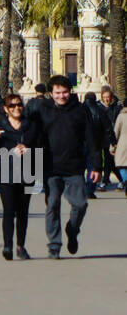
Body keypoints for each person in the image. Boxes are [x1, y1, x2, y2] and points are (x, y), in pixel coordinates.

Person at [35, 75, 102, 258]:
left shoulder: (80, 110)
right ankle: (54, 245)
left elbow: (91, 139)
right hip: (50, 167)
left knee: (80, 204)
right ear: (51, 93)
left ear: (70, 91)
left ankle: (72, 230)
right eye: (57, 92)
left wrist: (96, 166)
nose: (61, 96)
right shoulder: (43, 110)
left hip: (74, 166)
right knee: (52, 205)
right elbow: (34, 136)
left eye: (65, 92)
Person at [0, 93, 41, 259]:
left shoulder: (31, 125)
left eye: (19, 105)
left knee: (23, 211)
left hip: (27, 174)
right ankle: (7, 245)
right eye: (12, 106)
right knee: (9, 210)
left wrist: (30, 150)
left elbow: (41, 146)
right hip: (6, 174)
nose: (17, 108)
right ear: (6, 109)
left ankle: (20, 246)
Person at [98, 86, 121, 188]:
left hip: (114, 138)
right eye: (104, 97)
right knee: (109, 160)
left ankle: (105, 181)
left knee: (109, 160)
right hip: (103, 138)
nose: (106, 99)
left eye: (108, 97)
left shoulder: (116, 107)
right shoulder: (99, 107)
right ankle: (120, 180)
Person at [112, 101, 127, 191]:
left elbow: (115, 132)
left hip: (123, 144)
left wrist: (112, 146)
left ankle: (125, 181)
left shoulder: (121, 116)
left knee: (122, 166)